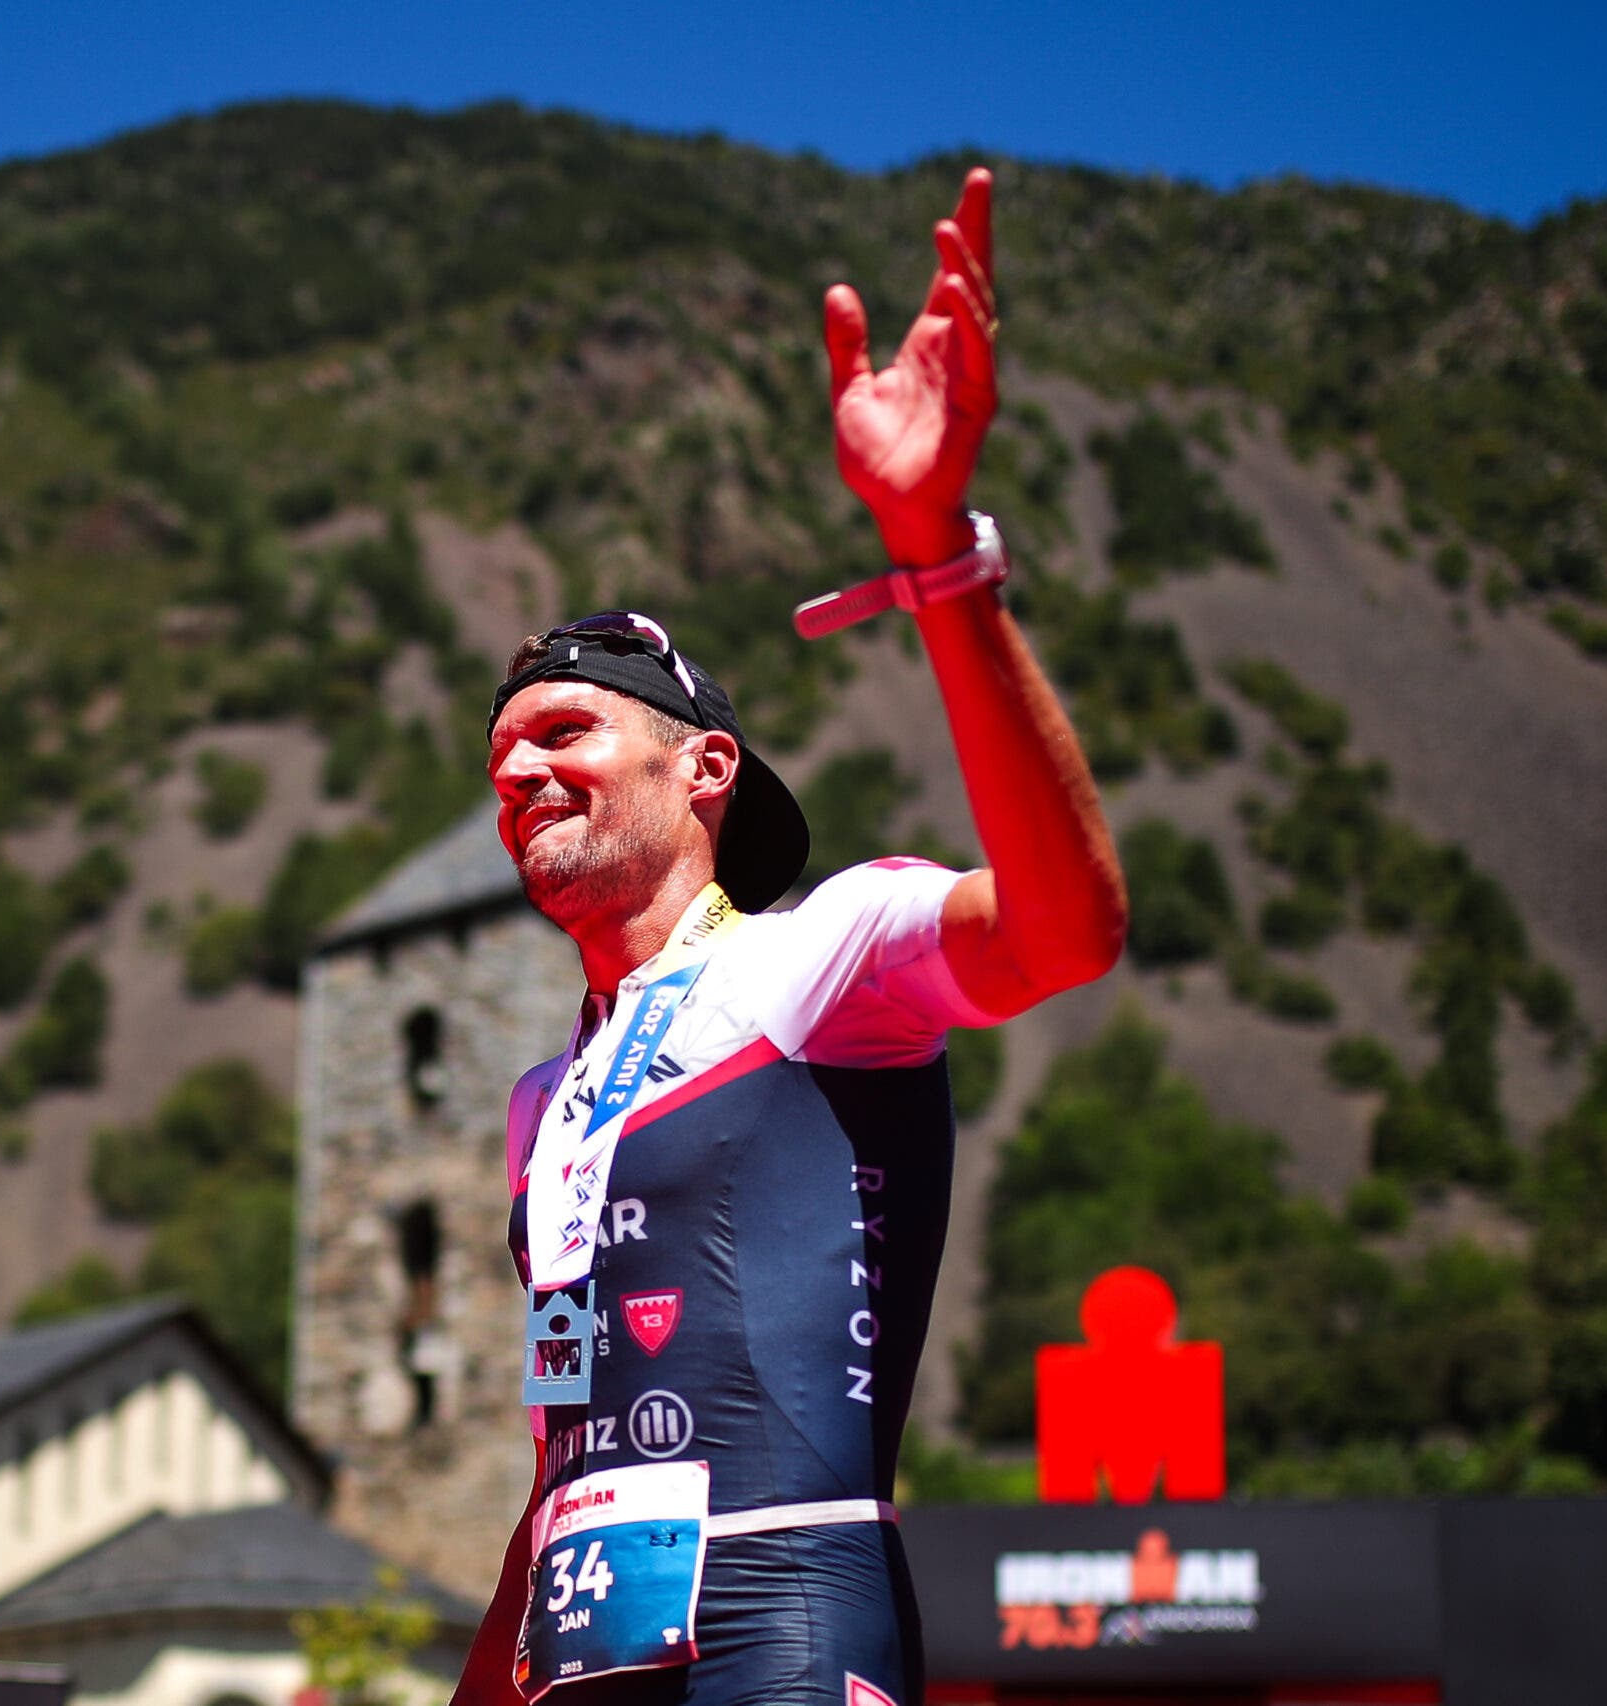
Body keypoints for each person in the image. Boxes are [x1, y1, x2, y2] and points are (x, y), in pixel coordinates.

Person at [453, 169, 1127, 1706]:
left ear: (705, 767)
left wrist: (939, 559)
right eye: (497, 753)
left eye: (563, 727)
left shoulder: (821, 959)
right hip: (581, 1655)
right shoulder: (537, 1109)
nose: (514, 769)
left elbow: (1067, 926)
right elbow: (558, 1461)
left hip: (789, 1627)